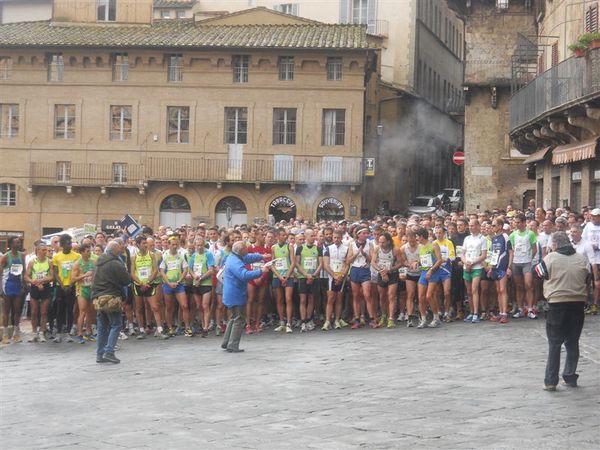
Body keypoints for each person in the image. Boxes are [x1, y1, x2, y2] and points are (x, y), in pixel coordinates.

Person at [536, 232, 589, 391]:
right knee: (573, 341)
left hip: (557, 303)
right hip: (577, 303)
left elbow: (538, 273)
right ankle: (570, 376)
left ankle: (551, 380)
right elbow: (587, 276)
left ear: (554, 244)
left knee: (555, 343)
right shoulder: (582, 258)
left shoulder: (550, 258)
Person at [220, 241, 270, 353]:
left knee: (233, 318)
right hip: (235, 293)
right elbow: (244, 275)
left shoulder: (234, 257)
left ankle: (226, 342)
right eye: (245, 248)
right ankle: (233, 345)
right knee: (239, 319)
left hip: (230, 293)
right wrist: (260, 271)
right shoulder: (235, 261)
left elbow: (249, 257)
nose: (247, 249)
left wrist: (261, 256)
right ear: (241, 250)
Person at [91, 240, 132, 364]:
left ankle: (99, 354)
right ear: (113, 250)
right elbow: (126, 280)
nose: (120, 250)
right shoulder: (116, 263)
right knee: (116, 324)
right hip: (111, 297)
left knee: (102, 326)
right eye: (119, 249)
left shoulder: (98, 261)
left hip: (98, 297)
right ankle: (109, 351)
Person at [0, 237, 25, 343]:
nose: (18, 244)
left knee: (17, 310)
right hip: (8, 285)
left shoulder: (22, 255)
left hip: (17, 285)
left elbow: (23, 271)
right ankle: (5, 334)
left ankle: (16, 333)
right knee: (7, 310)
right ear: (11, 244)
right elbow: (0, 273)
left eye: (19, 242)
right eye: (16, 243)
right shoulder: (5, 257)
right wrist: (1, 288)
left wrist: (24, 284)